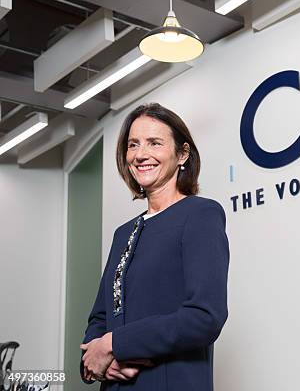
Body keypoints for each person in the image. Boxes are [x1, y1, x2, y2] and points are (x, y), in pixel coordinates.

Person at [79, 103, 230, 390]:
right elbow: (100, 316)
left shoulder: (200, 214)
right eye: (133, 144)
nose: (140, 154)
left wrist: (115, 344)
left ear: (182, 154)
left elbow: (205, 316)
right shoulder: (123, 233)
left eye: (154, 143)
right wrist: (94, 360)